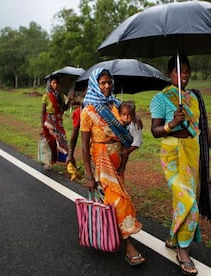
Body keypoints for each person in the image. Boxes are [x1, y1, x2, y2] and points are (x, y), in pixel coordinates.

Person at [149, 55, 211, 275]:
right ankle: (183, 251)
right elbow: (154, 131)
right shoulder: (161, 98)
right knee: (189, 201)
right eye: (178, 71)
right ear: (169, 73)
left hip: (193, 155)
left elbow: (204, 127)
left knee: (181, 201)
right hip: (172, 156)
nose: (184, 76)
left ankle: (174, 238)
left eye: (187, 71)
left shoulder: (195, 97)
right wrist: (171, 124)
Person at [80, 68, 145, 266]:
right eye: (103, 83)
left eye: (109, 82)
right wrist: (89, 176)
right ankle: (129, 247)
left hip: (118, 163)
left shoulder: (117, 106)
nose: (107, 86)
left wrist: (135, 120)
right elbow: (83, 146)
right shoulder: (88, 111)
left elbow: (126, 125)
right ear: (95, 85)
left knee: (111, 203)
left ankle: (108, 233)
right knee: (118, 202)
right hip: (100, 163)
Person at [41, 75, 69, 170]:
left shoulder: (60, 95)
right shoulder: (46, 96)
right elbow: (43, 112)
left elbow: (64, 108)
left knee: (62, 139)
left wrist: (69, 101)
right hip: (49, 120)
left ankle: (66, 160)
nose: (55, 85)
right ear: (50, 84)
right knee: (50, 141)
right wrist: (42, 126)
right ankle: (48, 162)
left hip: (58, 120)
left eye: (57, 83)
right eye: (53, 83)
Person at [65, 86, 88, 181]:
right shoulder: (80, 112)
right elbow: (75, 133)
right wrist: (70, 154)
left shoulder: (108, 109)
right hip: (91, 153)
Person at [117, 100, 142, 175]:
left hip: (133, 143)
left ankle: (122, 167)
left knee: (124, 154)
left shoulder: (134, 126)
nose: (126, 117)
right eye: (123, 115)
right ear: (119, 114)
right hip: (123, 140)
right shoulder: (119, 121)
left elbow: (137, 142)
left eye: (129, 115)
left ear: (133, 115)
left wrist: (128, 151)